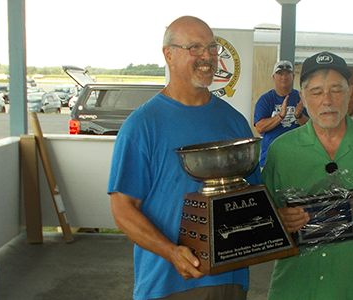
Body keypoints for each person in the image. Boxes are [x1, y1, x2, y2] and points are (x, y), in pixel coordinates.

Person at [108, 16, 260, 300]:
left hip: (230, 278)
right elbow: (123, 210)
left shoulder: (235, 122)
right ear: (168, 54)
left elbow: (251, 195)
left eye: (212, 48)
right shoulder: (142, 125)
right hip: (167, 282)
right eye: (195, 48)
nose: (207, 57)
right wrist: (171, 252)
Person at [262, 51, 353, 300]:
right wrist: (278, 221)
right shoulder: (281, 150)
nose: (327, 100)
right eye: (316, 92)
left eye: (336, 89)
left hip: (349, 291)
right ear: (302, 97)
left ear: (350, 91)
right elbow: (261, 223)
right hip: (292, 290)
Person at [254, 60, 309, 167]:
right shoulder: (265, 99)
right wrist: (280, 116)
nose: (284, 77)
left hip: (297, 159)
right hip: (271, 159)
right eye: (280, 74)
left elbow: (313, 127)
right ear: (274, 77)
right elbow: (260, 128)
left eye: (287, 73)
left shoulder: (301, 98)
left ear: (293, 76)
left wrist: (299, 116)